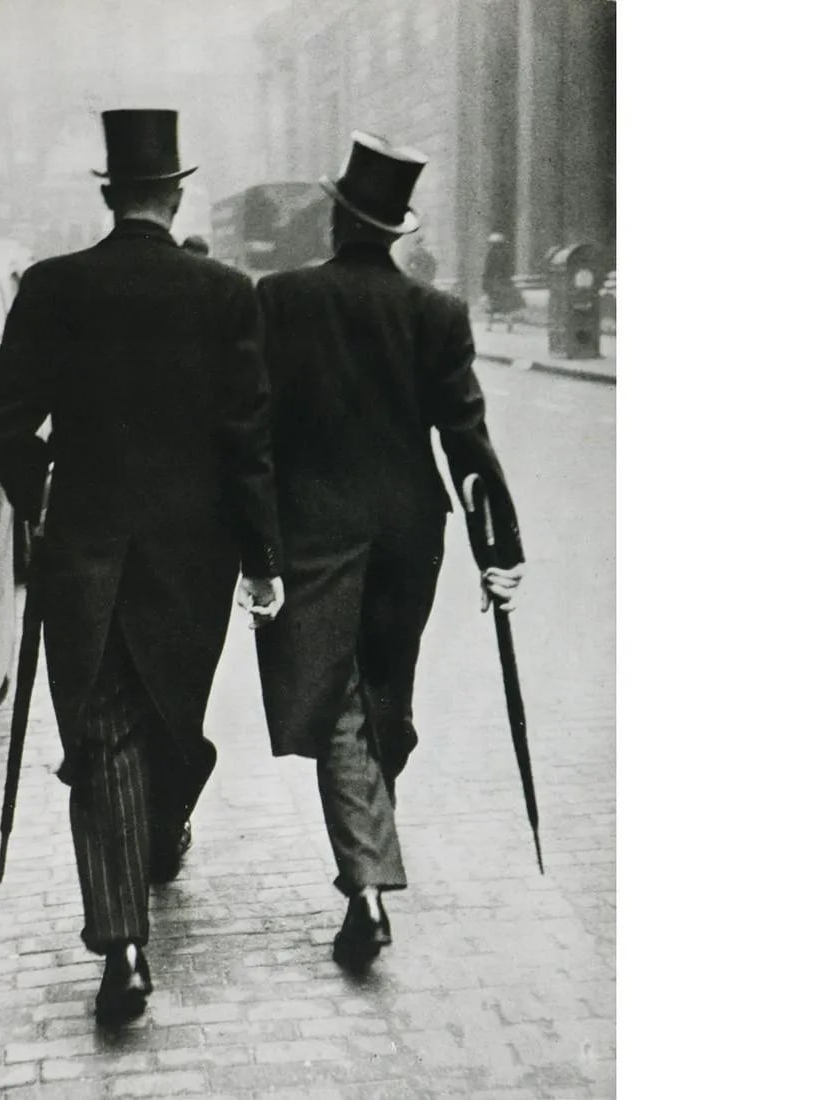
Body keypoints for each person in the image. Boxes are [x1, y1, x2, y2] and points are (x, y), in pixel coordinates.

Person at [0, 109, 284, 1025]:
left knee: (110, 734)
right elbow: (248, 443)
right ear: (177, 192)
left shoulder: (52, 287)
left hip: (88, 554)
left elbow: (1, 424)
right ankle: (141, 895)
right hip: (193, 563)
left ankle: (127, 942)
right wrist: (263, 559)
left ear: (111, 195)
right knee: (161, 723)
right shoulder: (228, 294)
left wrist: (46, 495)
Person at [253, 131, 525, 971]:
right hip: (414, 535)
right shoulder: (435, 313)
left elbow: (254, 435)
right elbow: (466, 441)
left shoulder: (281, 300)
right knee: (384, 701)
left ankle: (367, 892)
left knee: (339, 704)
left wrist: (251, 544)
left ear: (337, 220)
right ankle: (366, 861)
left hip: (316, 534)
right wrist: (498, 547)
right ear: (397, 231)